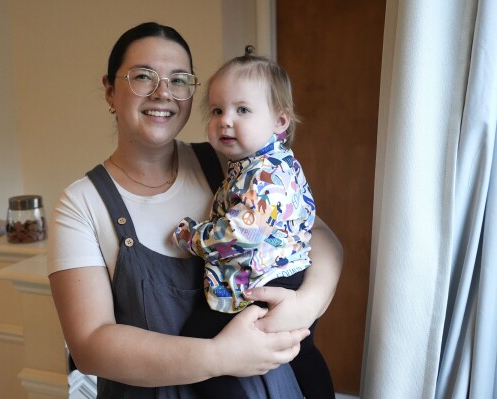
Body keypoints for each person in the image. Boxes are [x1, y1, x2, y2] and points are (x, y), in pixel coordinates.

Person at [48, 21, 342, 399]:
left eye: (179, 80)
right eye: (143, 76)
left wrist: (306, 305)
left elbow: (318, 236)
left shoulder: (229, 162)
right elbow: (90, 345)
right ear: (109, 90)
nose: (162, 93)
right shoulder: (81, 205)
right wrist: (219, 356)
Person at [172, 48, 335, 398]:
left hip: (265, 279)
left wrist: (191, 237)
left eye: (242, 110)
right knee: (298, 350)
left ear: (280, 121)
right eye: (216, 110)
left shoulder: (263, 174)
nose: (225, 120)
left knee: (200, 346)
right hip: (285, 270)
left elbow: (240, 233)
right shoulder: (263, 163)